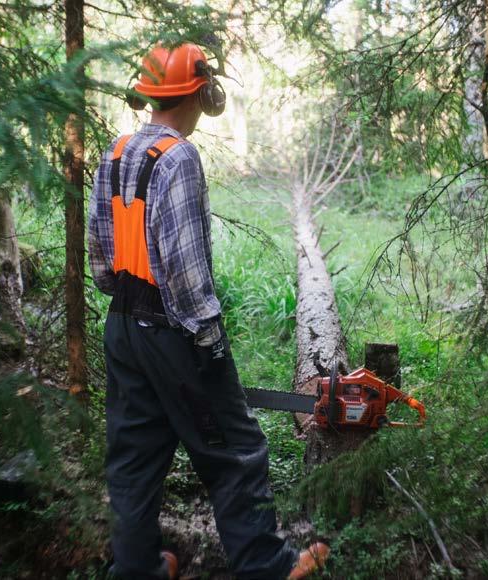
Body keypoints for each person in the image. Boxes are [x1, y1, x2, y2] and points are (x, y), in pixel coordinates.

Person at [87, 42, 329, 580]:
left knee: (133, 459)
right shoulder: (178, 157)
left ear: (151, 93)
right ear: (198, 92)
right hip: (174, 332)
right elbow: (187, 267)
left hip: (123, 326)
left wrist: (130, 305)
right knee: (237, 449)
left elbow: (101, 259)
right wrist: (208, 339)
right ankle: (268, 566)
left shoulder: (116, 151)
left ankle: (136, 570)